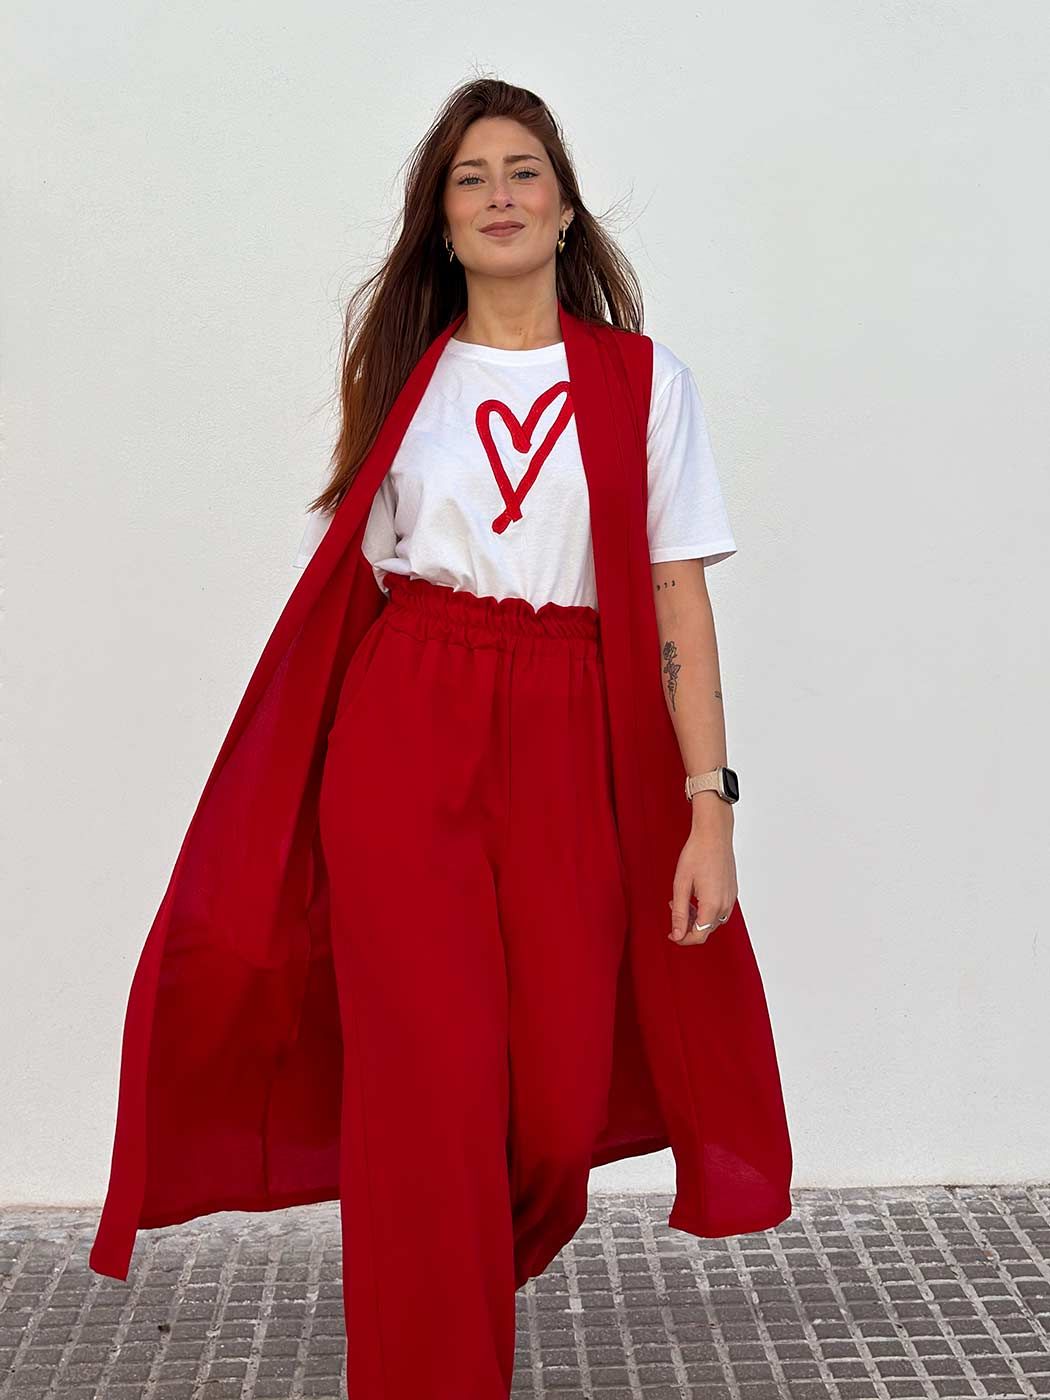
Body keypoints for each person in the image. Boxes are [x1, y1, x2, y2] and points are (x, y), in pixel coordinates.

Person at [89, 75, 792, 1400]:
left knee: (554, 1102)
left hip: (572, 725)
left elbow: (677, 602)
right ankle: (428, 1363)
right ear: (443, 221)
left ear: (567, 209)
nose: (499, 196)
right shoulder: (406, 383)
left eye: (523, 172)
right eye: (471, 179)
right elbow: (357, 585)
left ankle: (459, 1266)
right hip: (412, 723)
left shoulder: (643, 382)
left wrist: (709, 802)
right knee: (424, 1094)